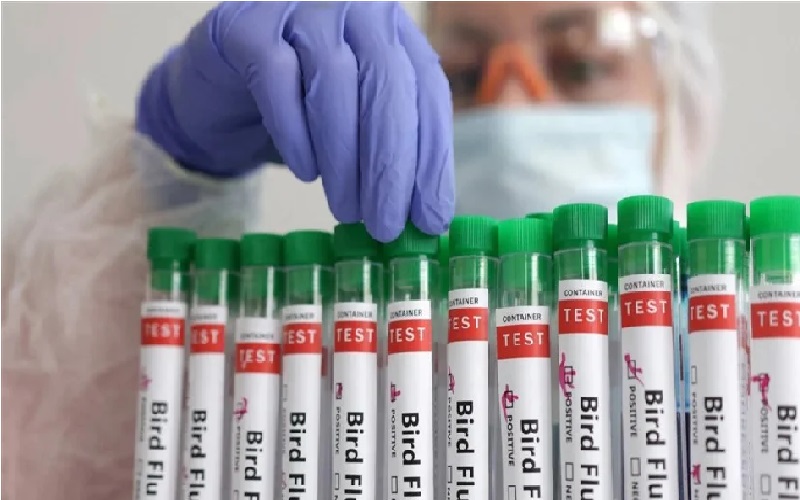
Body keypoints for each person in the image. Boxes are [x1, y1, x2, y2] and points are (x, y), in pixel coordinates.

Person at [1, 2, 718, 498]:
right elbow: (53, 462)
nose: (510, 109)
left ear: (680, 102)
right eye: (460, 74)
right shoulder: (313, 391)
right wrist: (174, 185)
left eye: (581, 64)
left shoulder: (734, 365)